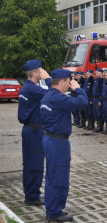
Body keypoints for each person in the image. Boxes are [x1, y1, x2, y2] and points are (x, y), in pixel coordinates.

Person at [40, 69, 87, 222]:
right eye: (68, 81)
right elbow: (82, 102)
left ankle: (52, 209)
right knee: (59, 177)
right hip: (58, 142)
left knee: (52, 176)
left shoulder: (49, 94)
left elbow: (50, 84)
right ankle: (54, 213)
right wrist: (78, 88)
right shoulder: (57, 98)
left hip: (50, 139)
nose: (69, 84)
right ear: (62, 82)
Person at [18, 60, 51, 206]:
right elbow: (53, 94)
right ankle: (32, 196)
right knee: (35, 165)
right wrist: (48, 78)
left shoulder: (28, 87)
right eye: (41, 70)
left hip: (30, 129)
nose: (42, 71)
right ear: (35, 73)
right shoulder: (33, 89)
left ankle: (30, 194)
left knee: (29, 163)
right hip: (35, 130)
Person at [92, 68, 105, 133]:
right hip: (95, 98)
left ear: (101, 73)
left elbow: (102, 91)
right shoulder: (96, 80)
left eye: (98, 72)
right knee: (95, 113)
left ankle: (100, 127)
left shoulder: (101, 80)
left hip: (98, 98)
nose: (96, 73)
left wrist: (100, 100)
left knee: (99, 113)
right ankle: (97, 126)